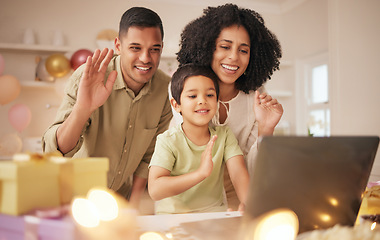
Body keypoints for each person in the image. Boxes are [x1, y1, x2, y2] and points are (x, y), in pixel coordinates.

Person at [42, 7, 172, 208]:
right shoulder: (88, 76)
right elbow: (54, 151)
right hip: (72, 201)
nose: (146, 58)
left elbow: (150, 157)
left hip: (118, 205)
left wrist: (133, 208)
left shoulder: (165, 88)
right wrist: (83, 109)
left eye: (154, 49)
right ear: (118, 45)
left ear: (161, 48)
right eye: (135, 48)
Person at [175, 4, 284, 209]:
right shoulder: (186, 92)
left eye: (243, 50)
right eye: (225, 47)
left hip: (238, 199)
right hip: (190, 202)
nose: (234, 57)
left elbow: (253, 168)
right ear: (208, 47)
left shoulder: (255, 100)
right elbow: (181, 157)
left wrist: (266, 128)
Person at [148, 64, 249, 214]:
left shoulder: (224, 136)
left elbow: (238, 174)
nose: (202, 101)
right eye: (192, 96)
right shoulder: (167, 140)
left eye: (209, 95)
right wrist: (200, 174)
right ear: (176, 105)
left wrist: (248, 203)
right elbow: (155, 190)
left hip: (214, 216)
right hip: (173, 219)